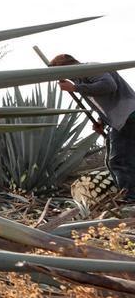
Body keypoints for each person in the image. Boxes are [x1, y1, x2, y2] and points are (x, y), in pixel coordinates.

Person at [50, 53, 135, 199]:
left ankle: (131, 199)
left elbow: (109, 85)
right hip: (120, 120)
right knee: (117, 160)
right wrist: (102, 121)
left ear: (63, 67)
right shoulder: (81, 77)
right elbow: (103, 102)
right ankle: (128, 196)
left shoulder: (89, 69)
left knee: (119, 160)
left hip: (128, 116)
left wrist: (75, 88)